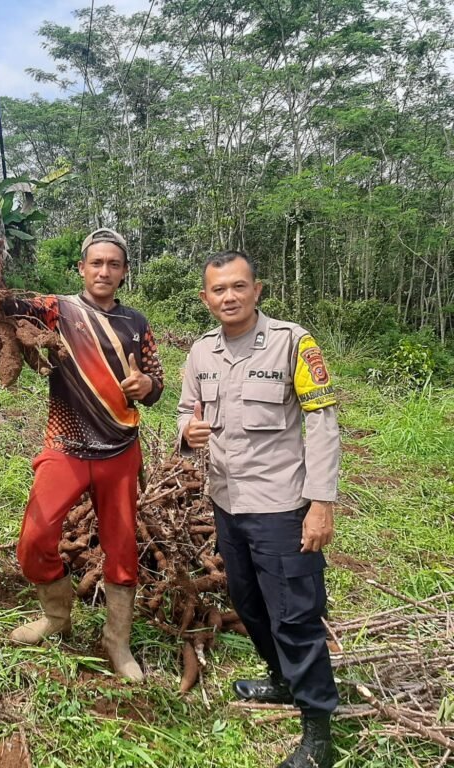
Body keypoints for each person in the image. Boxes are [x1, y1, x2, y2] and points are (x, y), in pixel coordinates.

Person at [0, 228, 164, 681]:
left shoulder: (136, 323)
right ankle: (56, 618)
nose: (104, 271)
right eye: (96, 263)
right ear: (81, 268)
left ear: (124, 272)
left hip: (120, 449)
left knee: (121, 549)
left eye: (113, 264)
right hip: (66, 446)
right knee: (34, 539)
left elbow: (156, 382)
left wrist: (147, 386)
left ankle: (117, 642)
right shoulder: (57, 310)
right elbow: (7, 306)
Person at [177, 251, 339, 768]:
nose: (229, 297)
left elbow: (322, 424)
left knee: (295, 616)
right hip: (227, 504)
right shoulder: (201, 352)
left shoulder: (293, 342)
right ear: (206, 299)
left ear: (257, 290)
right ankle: (281, 681)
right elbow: (186, 410)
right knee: (250, 605)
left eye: (238, 287)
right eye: (219, 290)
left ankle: (319, 734)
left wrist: (321, 503)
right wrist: (187, 431)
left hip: (282, 506)